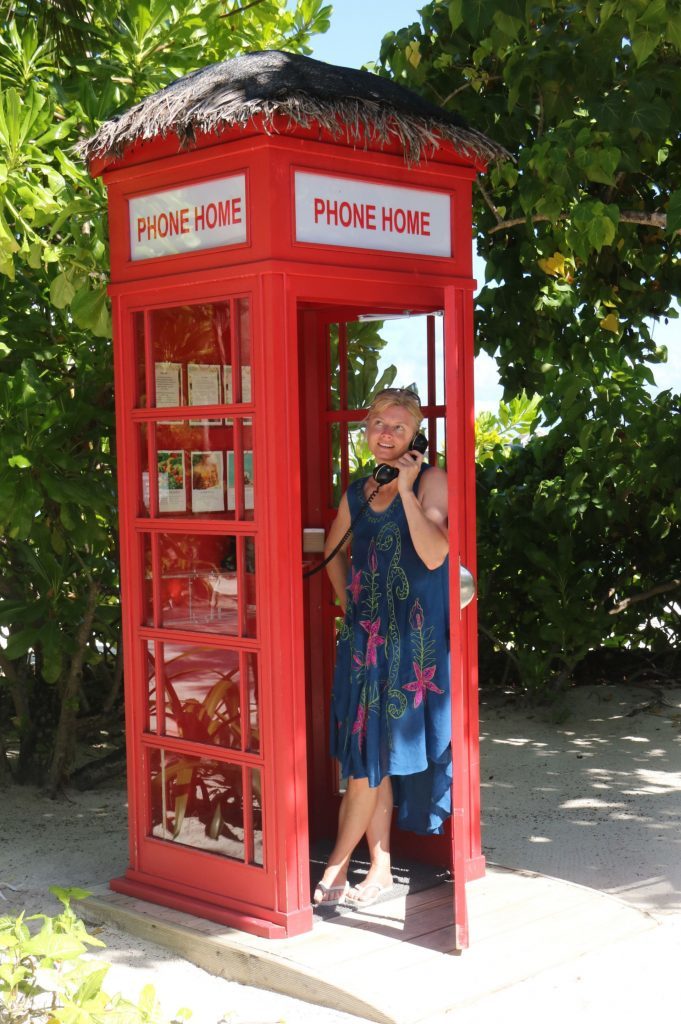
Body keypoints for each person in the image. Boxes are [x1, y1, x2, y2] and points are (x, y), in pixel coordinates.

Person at [313, 387, 451, 909]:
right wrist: (351, 609)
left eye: (397, 426)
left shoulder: (430, 480)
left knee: (369, 759)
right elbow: (330, 553)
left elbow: (435, 554)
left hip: (410, 644)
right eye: (375, 423)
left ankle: (335, 870)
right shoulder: (360, 489)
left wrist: (411, 490)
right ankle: (382, 869)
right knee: (371, 755)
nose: (385, 433)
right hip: (364, 641)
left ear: (415, 435)